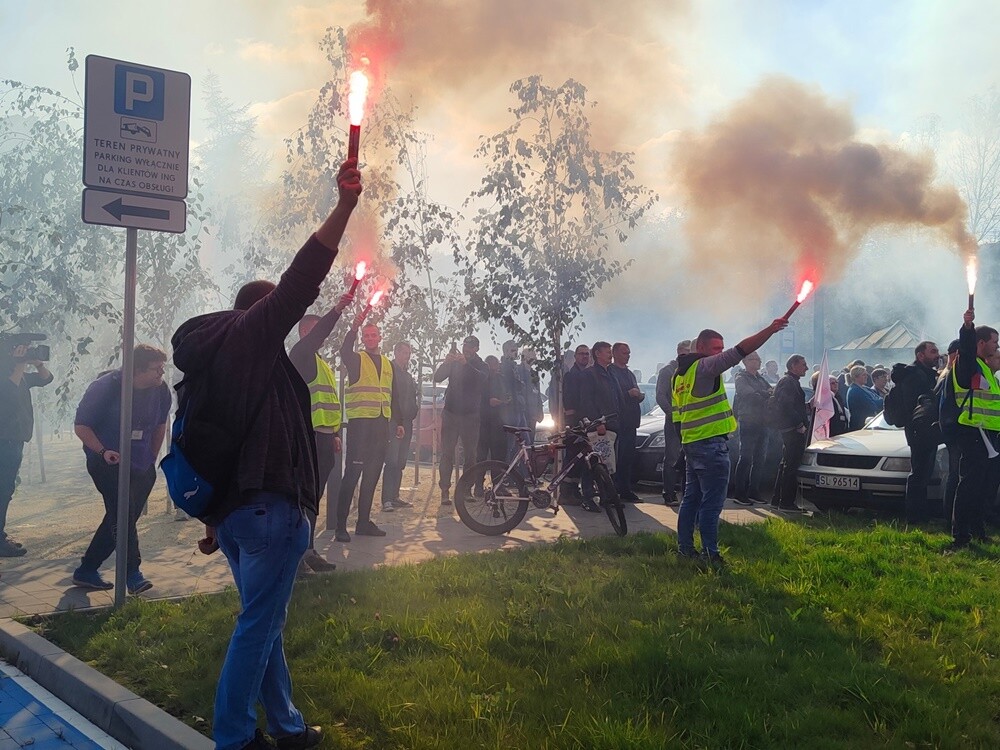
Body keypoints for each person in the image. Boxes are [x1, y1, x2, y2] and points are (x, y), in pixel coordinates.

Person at [170, 158, 361, 750]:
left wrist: (210, 517)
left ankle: (288, 727)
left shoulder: (213, 362)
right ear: (261, 312)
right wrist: (345, 206)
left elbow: (203, 438)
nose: (288, 318)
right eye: (279, 311)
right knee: (257, 627)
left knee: (266, 623)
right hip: (270, 512)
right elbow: (301, 279)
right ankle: (233, 737)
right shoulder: (252, 339)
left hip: (233, 518)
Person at [673, 318, 787, 565]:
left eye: (720, 348)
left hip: (692, 444)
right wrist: (770, 329)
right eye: (716, 348)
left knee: (691, 499)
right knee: (711, 504)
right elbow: (739, 351)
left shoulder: (680, 375)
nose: (720, 353)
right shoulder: (704, 367)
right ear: (701, 348)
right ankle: (710, 554)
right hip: (710, 445)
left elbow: (678, 414)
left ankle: (685, 549)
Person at [72, 345, 170, 592]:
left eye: (162, 367)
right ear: (136, 370)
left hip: (141, 463)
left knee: (120, 517)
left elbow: (160, 424)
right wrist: (103, 451)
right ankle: (132, 573)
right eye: (155, 369)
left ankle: (87, 569)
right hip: (106, 460)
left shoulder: (161, 391)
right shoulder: (106, 387)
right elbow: (82, 426)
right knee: (123, 513)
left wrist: (150, 456)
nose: (161, 373)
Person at [287, 294, 354, 574]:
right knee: (304, 497)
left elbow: (327, 401)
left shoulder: (320, 362)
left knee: (313, 497)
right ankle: (297, 556)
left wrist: (335, 432)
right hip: (308, 438)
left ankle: (308, 550)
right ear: (305, 333)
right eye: (316, 331)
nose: (322, 337)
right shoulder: (301, 355)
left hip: (325, 437)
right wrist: (337, 309)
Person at [335, 321, 404, 539]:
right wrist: (353, 328)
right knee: (352, 475)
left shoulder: (387, 364)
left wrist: (399, 421)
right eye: (366, 335)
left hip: (381, 428)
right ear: (363, 339)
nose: (371, 338)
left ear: (380, 337)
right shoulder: (355, 359)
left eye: (374, 334)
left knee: (373, 475)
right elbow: (344, 349)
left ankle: (363, 523)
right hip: (360, 428)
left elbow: (393, 395)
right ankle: (340, 526)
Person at [944, 311, 1000, 554]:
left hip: (987, 433)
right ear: (981, 343)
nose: (997, 346)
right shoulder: (968, 363)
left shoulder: (985, 369)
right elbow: (966, 349)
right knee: (970, 484)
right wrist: (967, 327)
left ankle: (977, 530)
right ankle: (960, 536)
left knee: (982, 486)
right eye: (995, 342)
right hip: (972, 430)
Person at [0, 341, 53, 556]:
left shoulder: (22, 378)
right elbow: (9, 392)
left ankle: (0, 536)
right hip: (4, 441)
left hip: (16, 441)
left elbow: (47, 379)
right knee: (3, 489)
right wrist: (19, 363)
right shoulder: (7, 378)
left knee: (6, 490)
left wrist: (38, 363)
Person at [887, 341, 941, 524]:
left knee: (924, 472)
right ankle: (914, 516)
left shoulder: (924, 373)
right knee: (919, 473)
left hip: (924, 429)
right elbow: (914, 405)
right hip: (919, 430)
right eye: (933, 351)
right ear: (920, 355)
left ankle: (920, 514)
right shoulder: (914, 376)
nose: (937, 355)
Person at [435, 336, 488, 505]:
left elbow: (481, 380)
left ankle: (466, 490)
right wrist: (446, 363)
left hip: (470, 416)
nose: (467, 349)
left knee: (471, 455)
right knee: (447, 453)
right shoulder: (455, 362)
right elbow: (437, 377)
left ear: (477, 349)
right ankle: (445, 490)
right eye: (465, 345)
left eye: (471, 347)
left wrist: (466, 364)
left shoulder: (481, 365)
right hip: (451, 414)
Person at [577, 341, 622, 512]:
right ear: (597, 354)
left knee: (608, 463)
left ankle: (607, 497)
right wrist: (598, 422)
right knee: (593, 462)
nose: (610, 354)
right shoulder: (590, 375)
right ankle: (587, 497)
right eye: (607, 352)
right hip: (599, 426)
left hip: (613, 424)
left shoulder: (611, 373)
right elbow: (587, 401)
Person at [731, 351, 773, 506]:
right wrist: (764, 393)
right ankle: (740, 493)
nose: (758, 362)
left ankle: (754, 491)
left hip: (763, 422)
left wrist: (764, 393)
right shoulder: (741, 378)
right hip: (748, 421)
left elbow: (772, 392)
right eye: (754, 359)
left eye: (759, 359)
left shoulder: (761, 378)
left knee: (760, 459)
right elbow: (747, 393)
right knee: (746, 457)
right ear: (745, 361)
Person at [770, 354, 810, 513]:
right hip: (792, 430)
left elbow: (793, 405)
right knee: (791, 466)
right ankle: (786, 502)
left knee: (785, 464)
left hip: (789, 428)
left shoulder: (790, 382)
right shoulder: (789, 382)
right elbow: (786, 405)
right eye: (803, 364)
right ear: (793, 365)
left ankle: (777, 500)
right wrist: (799, 423)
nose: (806, 368)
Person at [381, 341, 418, 513]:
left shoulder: (408, 376)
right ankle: (386, 499)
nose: (407, 356)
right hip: (394, 422)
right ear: (396, 352)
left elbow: (411, 397)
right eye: (404, 352)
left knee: (401, 462)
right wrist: (397, 419)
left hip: (407, 423)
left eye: (409, 353)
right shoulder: (389, 370)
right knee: (392, 460)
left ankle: (395, 496)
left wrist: (413, 411)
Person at [656, 340, 691, 506]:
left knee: (688, 458)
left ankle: (687, 493)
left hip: (690, 421)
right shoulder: (668, 371)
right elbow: (661, 396)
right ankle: (668, 493)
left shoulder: (690, 370)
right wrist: (672, 414)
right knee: (672, 457)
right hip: (674, 422)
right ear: (679, 352)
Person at [610, 342, 645, 501]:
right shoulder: (611, 372)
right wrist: (627, 393)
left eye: (629, 353)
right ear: (615, 353)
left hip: (631, 421)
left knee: (627, 457)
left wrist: (638, 395)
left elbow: (636, 391)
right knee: (617, 458)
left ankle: (625, 489)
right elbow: (612, 396)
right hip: (618, 422)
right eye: (625, 353)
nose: (628, 355)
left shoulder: (630, 374)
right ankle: (614, 489)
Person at [938, 340, 962, 525]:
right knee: (955, 474)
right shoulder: (949, 375)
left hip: (951, 431)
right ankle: (951, 517)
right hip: (955, 432)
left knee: (954, 473)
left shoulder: (946, 374)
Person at [810, 373, 850, 437]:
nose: (835, 384)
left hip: (842, 429)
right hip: (831, 429)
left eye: (836, 382)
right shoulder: (825, 398)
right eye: (832, 383)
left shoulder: (838, 397)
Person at [846, 365, 884, 431]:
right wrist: (882, 401)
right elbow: (872, 406)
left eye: (866, 374)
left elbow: (879, 399)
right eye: (863, 375)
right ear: (856, 377)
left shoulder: (865, 388)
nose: (866, 376)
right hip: (861, 426)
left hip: (870, 423)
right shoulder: (855, 390)